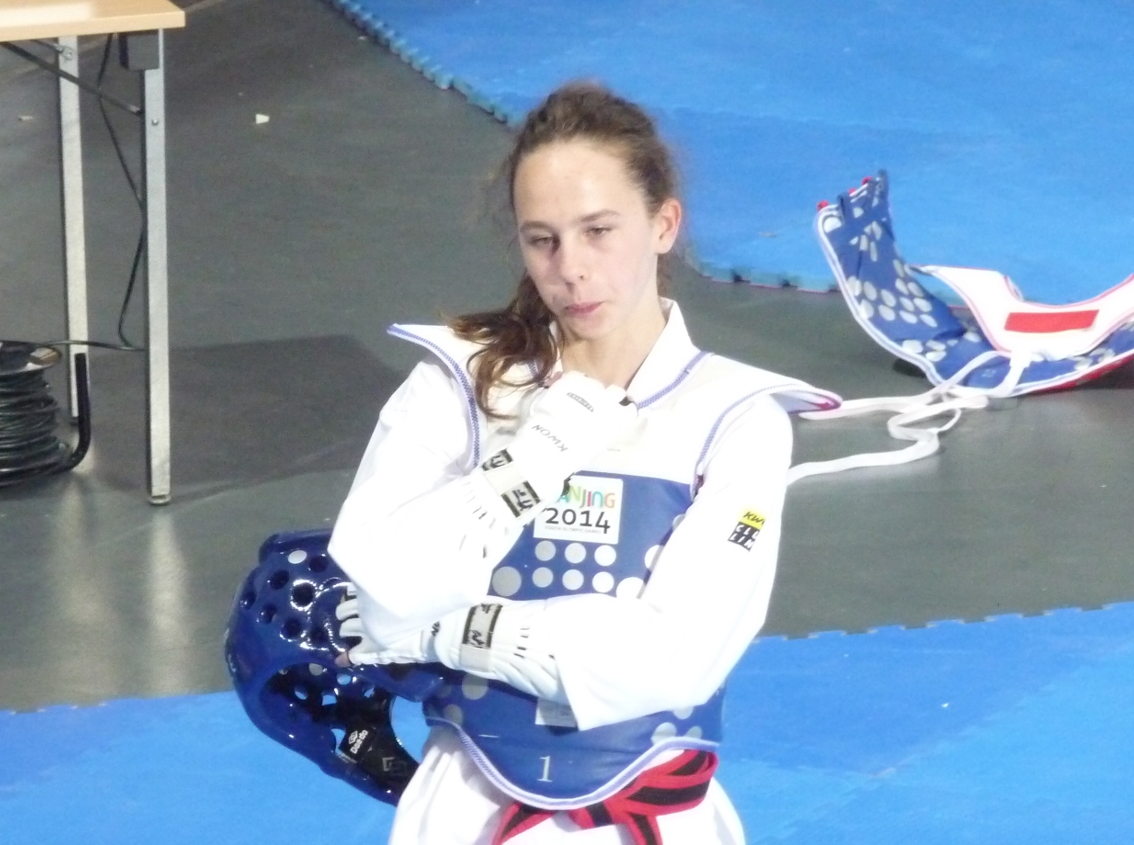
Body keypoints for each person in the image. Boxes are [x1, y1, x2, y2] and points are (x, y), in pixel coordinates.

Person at [327, 82, 838, 845]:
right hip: (465, 804)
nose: (571, 268)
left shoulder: (738, 416)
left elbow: (671, 658)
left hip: (657, 814)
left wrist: (451, 632)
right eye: (543, 239)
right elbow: (379, 587)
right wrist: (522, 471)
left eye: (599, 231)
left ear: (663, 224)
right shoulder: (459, 381)